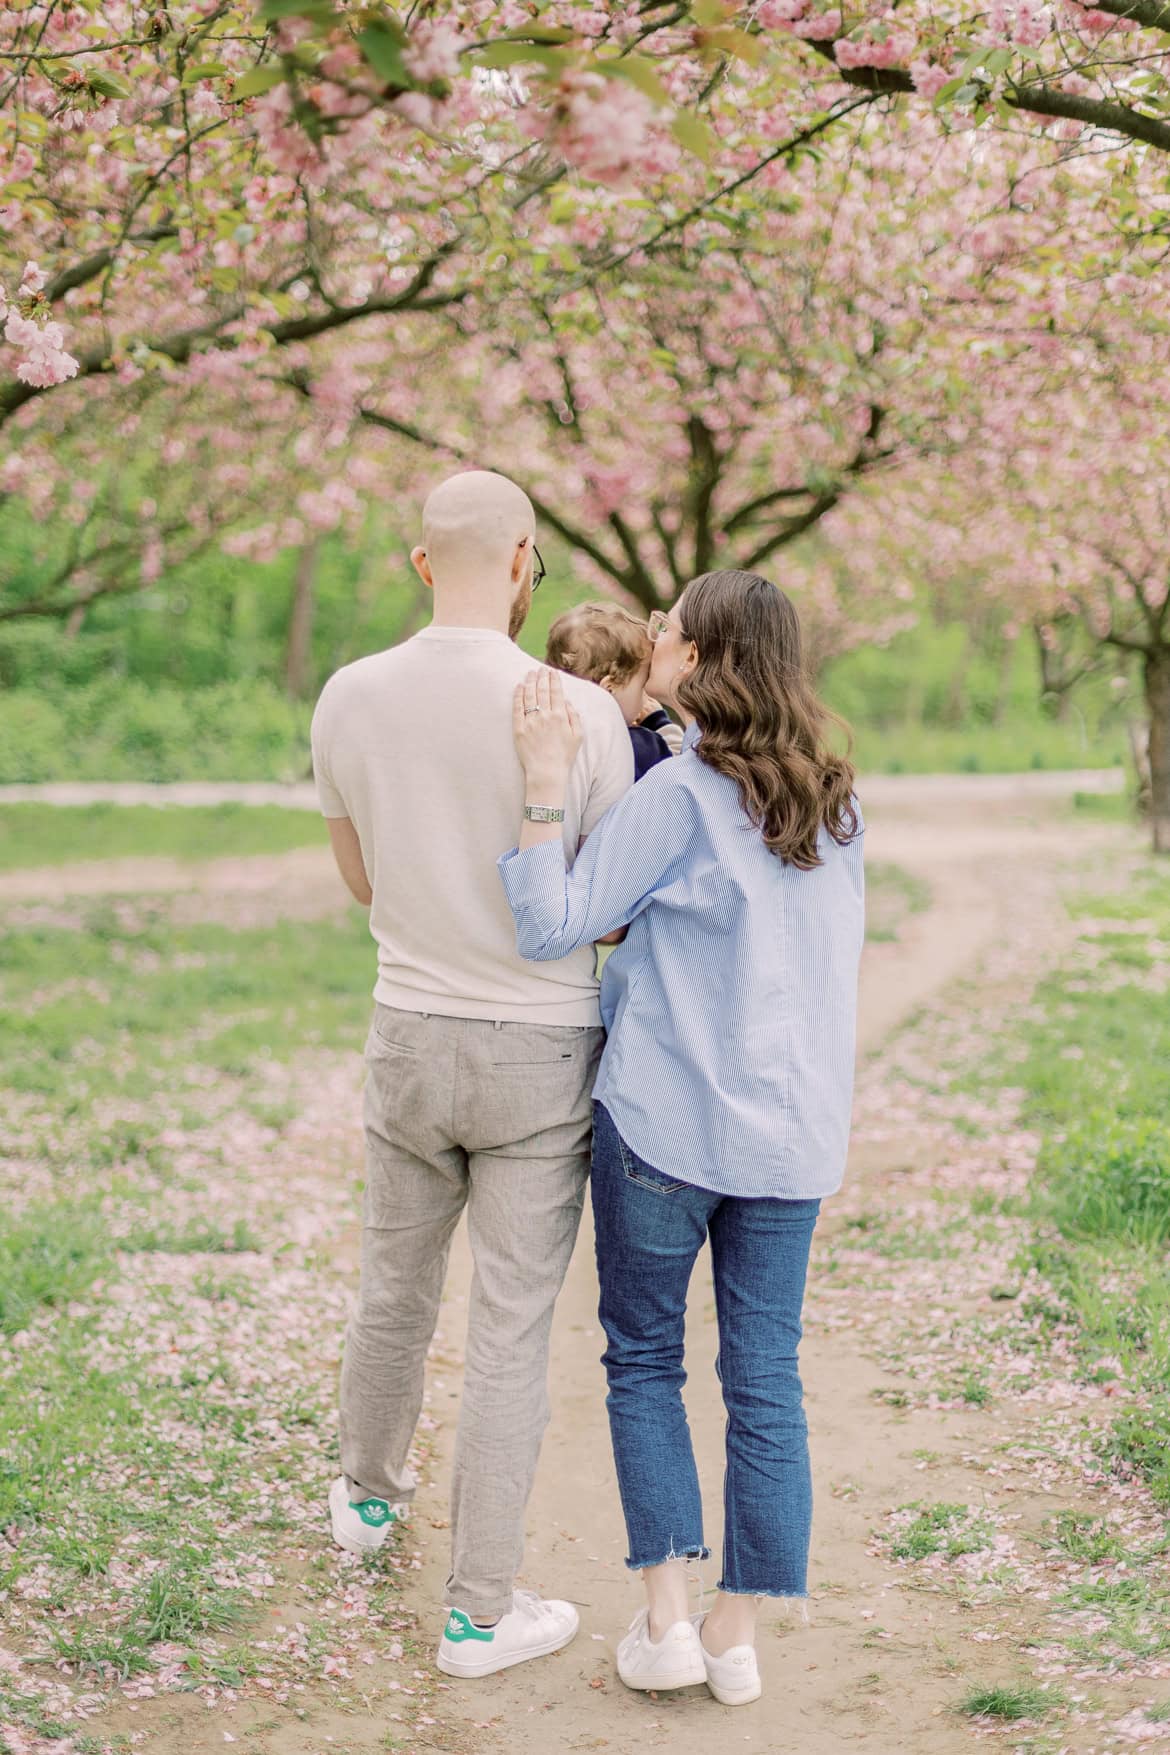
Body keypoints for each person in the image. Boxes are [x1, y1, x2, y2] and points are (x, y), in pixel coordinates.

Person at [497, 569, 864, 1707]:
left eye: (665, 630)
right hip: (791, 1137)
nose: (650, 640)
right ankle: (736, 1634)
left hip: (662, 1125)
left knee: (646, 1359)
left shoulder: (682, 794)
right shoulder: (838, 801)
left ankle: (664, 1621)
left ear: (697, 661)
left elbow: (550, 923)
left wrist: (546, 788)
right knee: (766, 1376)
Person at [310, 470, 633, 1679]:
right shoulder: (577, 712)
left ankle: (366, 1497)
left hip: (408, 1023)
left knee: (392, 1286)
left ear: (417, 561)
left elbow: (362, 884)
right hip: (538, 1047)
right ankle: (478, 1614)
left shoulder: (349, 697)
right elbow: (594, 905)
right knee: (507, 1327)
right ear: (522, 564)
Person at [545, 600, 682, 779]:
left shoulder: (553, 738)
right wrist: (658, 722)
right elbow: (679, 768)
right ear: (609, 690)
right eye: (642, 687)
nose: (646, 697)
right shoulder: (638, 746)